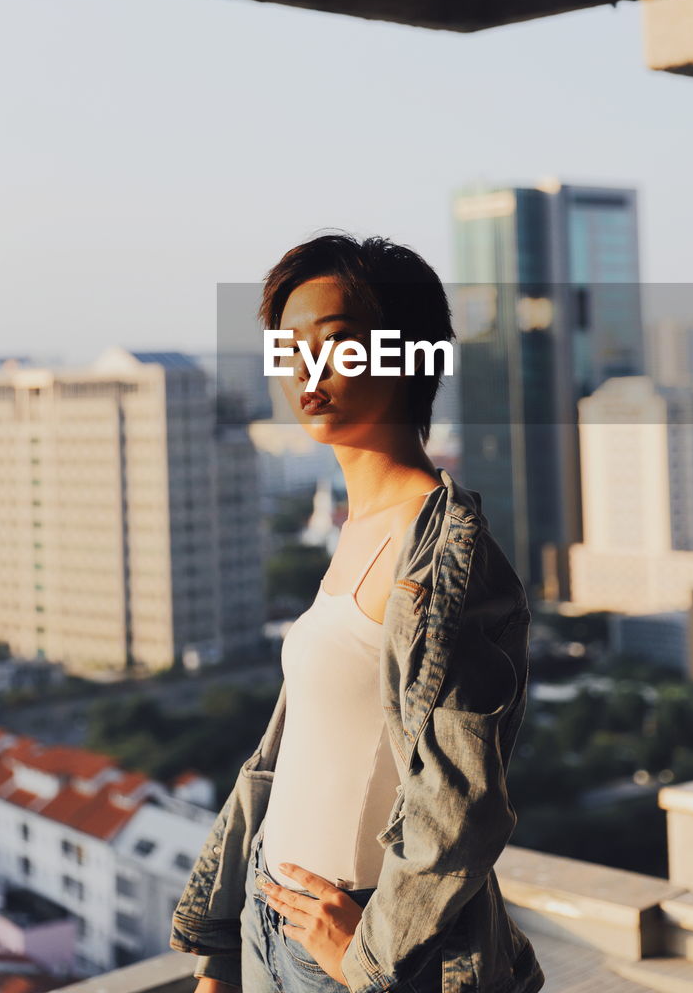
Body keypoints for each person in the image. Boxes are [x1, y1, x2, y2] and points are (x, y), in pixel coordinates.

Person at [170, 232, 544, 993]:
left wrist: (367, 958)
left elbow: (462, 805)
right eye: (289, 348)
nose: (305, 371)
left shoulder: (445, 555)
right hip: (268, 917)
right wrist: (223, 943)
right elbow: (288, 752)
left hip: (352, 948)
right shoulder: (356, 530)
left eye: (336, 345)